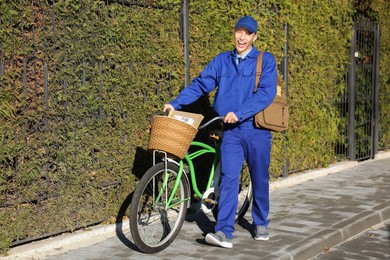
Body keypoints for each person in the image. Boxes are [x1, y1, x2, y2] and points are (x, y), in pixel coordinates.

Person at [163, 15, 277, 248]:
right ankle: (224, 231)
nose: (241, 36)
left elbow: (266, 93)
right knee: (228, 179)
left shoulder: (265, 60)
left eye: (247, 33)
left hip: (256, 130)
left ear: (254, 37)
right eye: (239, 31)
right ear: (234, 33)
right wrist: (175, 103)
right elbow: (200, 84)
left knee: (259, 176)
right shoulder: (222, 61)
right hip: (231, 131)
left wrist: (241, 112)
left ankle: (261, 221)